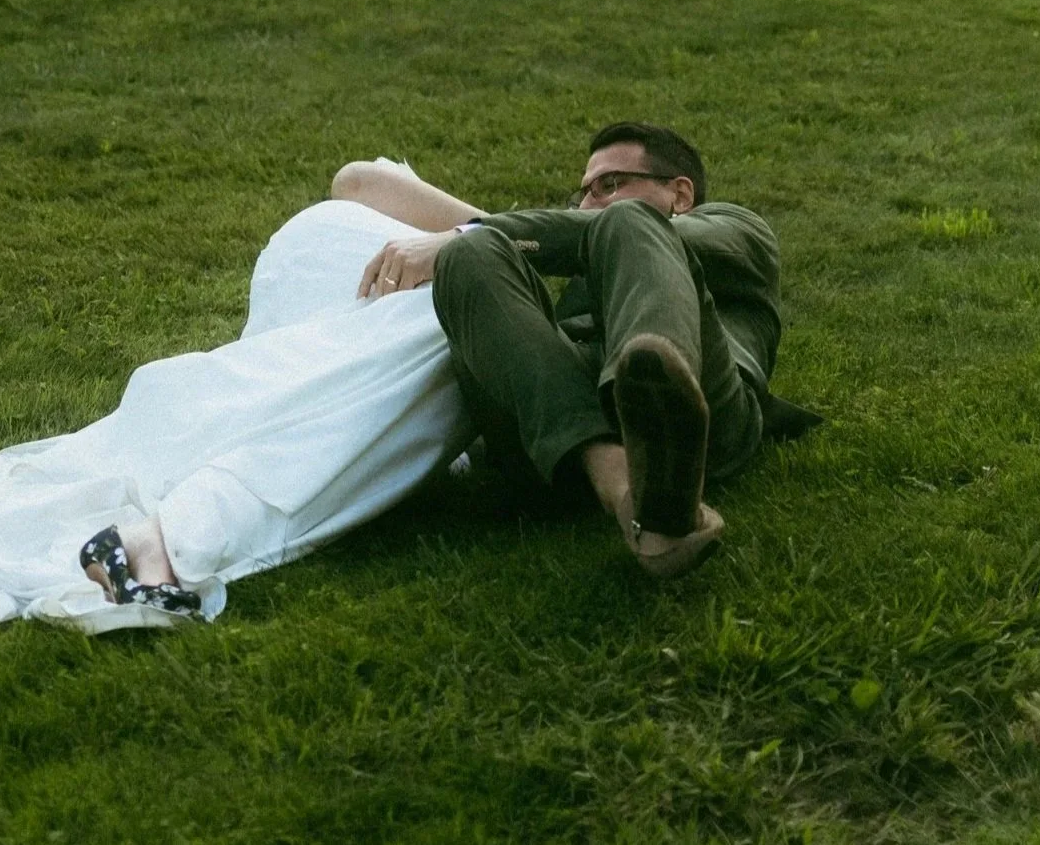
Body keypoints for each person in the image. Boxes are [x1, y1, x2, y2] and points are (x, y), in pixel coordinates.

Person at [0, 178, 473, 678]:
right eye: (592, 183)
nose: (598, 195)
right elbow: (356, 180)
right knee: (401, 348)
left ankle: (167, 537)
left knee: (380, 366)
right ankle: (167, 544)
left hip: (374, 318)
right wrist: (482, 234)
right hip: (340, 276)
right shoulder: (498, 245)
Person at [340, 122, 807, 582]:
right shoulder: (590, 252)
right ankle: (622, 482)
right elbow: (356, 182)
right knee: (469, 255)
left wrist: (466, 230)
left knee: (620, 221)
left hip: (713, 410)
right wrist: (467, 239)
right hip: (554, 427)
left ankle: (658, 406)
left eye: (609, 184)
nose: (587, 204)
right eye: (582, 195)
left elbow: (597, 228)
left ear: (681, 194)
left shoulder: (739, 228)